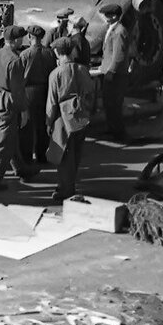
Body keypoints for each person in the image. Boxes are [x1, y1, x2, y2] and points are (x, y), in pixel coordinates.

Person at [0, 25, 33, 191]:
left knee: (10, 137)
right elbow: (17, 89)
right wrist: (24, 109)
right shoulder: (15, 60)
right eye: (21, 38)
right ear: (16, 40)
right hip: (8, 103)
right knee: (3, 143)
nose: (23, 40)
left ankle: (21, 169)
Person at [45, 37, 94, 203]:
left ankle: (65, 189)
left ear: (57, 52)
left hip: (62, 118)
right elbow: (91, 92)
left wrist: (48, 122)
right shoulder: (83, 70)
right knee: (76, 153)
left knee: (64, 155)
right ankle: (70, 185)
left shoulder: (55, 74)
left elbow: (52, 102)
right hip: (81, 116)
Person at [20, 26, 57, 168]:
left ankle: (28, 156)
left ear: (29, 37)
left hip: (29, 91)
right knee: (43, 124)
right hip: (45, 90)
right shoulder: (50, 53)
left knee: (28, 125)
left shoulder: (25, 54)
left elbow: (21, 75)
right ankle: (42, 155)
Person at [93, 3, 129, 143]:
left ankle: (119, 133)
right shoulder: (113, 28)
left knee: (114, 104)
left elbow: (119, 55)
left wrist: (111, 71)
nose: (105, 17)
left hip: (115, 74)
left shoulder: (119, 32)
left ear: (114, 16)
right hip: (108, 71)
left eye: (107, 15)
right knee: (108, 103)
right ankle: (112, 128)